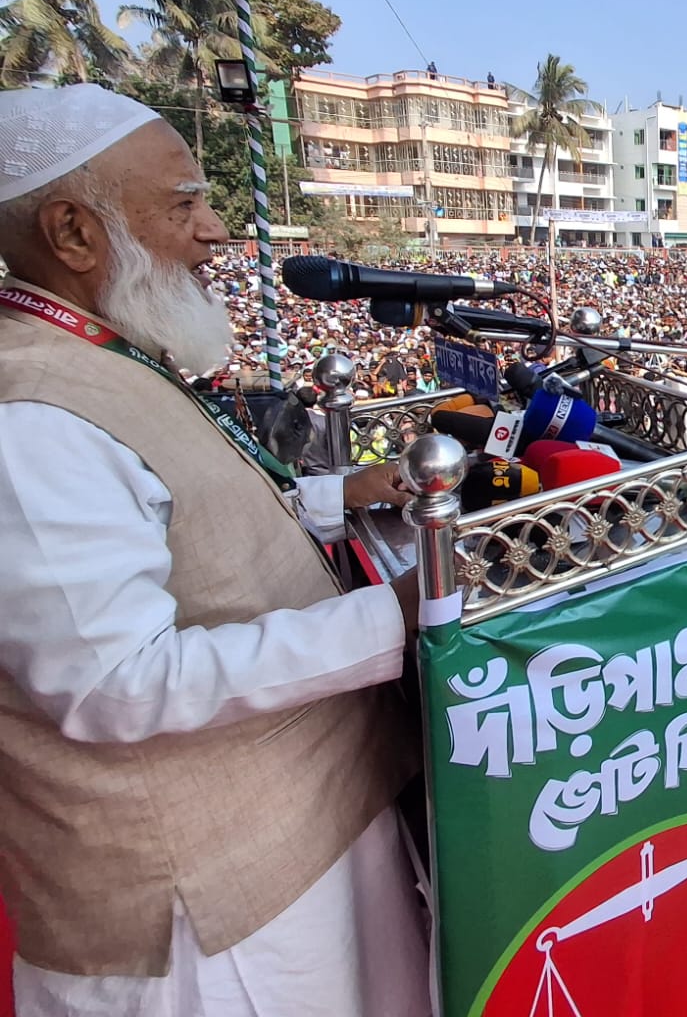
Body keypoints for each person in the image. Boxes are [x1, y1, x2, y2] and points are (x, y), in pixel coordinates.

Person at [0, 85, 429, 1014]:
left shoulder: (102, 349)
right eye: (185, 203)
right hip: (208, 924)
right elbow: (113, 683)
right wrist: (390, 617)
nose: (216, 230)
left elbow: (178, 518)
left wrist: (334, 497)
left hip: (301, 835)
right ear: (73, 233)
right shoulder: (27, 415)